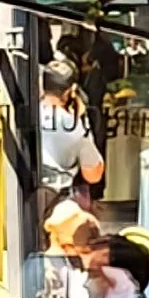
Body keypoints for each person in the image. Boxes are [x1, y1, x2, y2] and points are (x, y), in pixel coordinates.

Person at [40, 60, 105, 212]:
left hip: (27, 203)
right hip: (60, 207)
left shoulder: (28, 117)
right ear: (72, 90)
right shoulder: (75, 126)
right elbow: (93, 175)